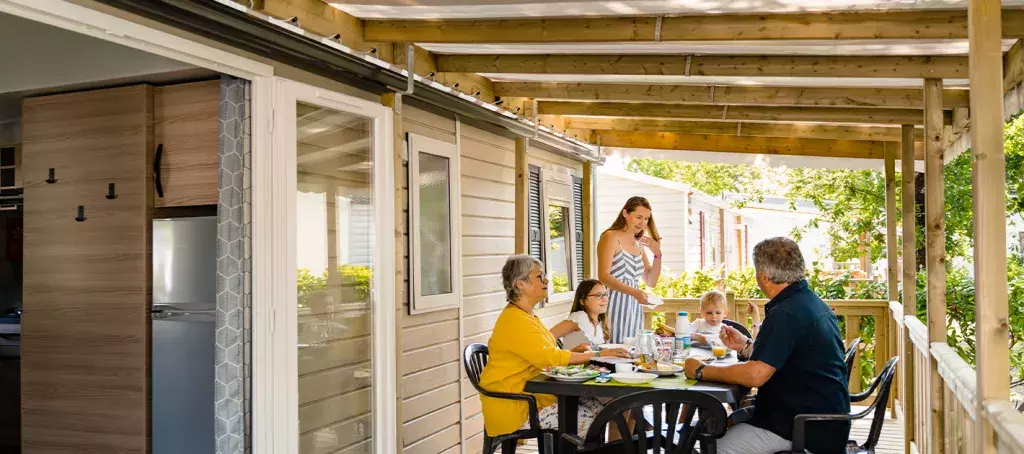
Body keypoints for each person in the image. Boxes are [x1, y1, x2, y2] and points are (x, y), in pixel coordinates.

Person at [682, 237, 851, 454]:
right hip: (822, 420)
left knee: (712, 446)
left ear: (763, 277)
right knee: (716, 424)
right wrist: (746, 346)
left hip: (803, 428)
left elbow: (755, 376)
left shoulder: (786, 313)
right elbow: (788, 357)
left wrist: (700, 370)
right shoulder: (808, 302)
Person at [479, 255, 631, 438]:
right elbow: (550, 358)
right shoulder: (515, 320)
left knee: (600, 404)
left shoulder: (526, 316)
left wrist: (572, 353)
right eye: (539, 276)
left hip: (533, 395)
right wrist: (598, 355)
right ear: (520, 284)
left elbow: (544, 352)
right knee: (588, 419)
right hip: (516, 406)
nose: (547, 280)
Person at [597, 196, 663, 343]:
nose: (642, 223)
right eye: (638, 217)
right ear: (625, 213)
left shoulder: (638, 243)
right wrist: (634, 292)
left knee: (631, 351)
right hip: (611, 304)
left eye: (646, 219)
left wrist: (658, 254)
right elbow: (603, 275)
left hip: (632, 309)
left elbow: (651, 281)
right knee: (613, 351)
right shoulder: (610, 237)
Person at [549, 279, 611, 351]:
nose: (605, 299)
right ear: (583, 301)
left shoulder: (601, 322)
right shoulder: (579, 318)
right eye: (598, 295)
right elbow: (545, 337)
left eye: (605, 295)